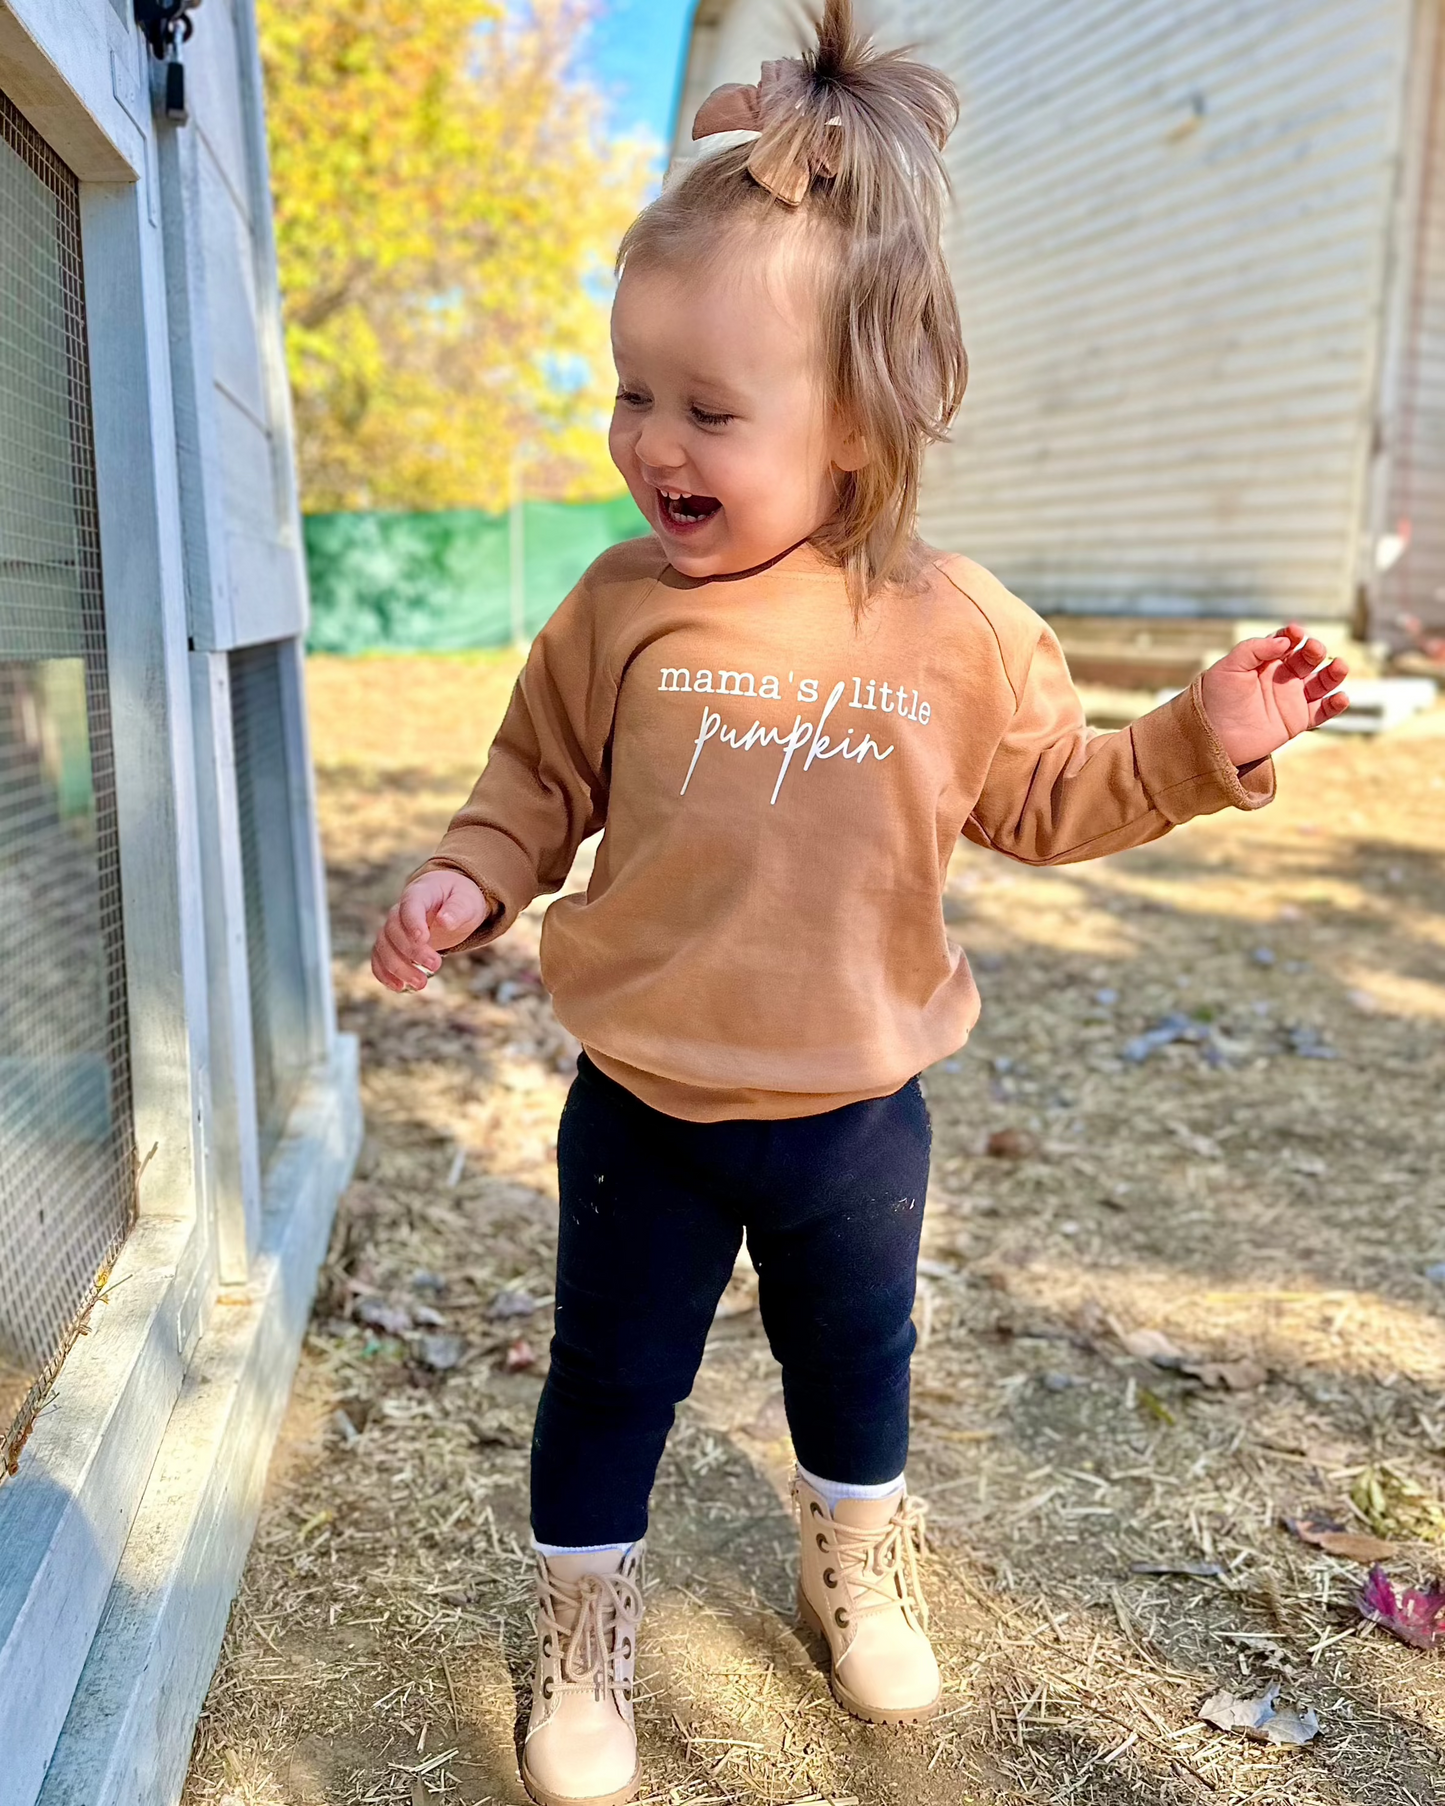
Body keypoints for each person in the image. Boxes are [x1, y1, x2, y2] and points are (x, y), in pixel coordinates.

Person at [370, 5, 1350, 1801]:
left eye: (708, 408)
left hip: (853, 1115)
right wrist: (468, 872)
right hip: (646, 1109)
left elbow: (1052, 798)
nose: (648, 437)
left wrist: (1199, 745)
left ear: (859, 421)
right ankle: (582, 1632)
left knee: (857, 1366)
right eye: (632, 391)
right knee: (611, 1381)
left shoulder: (952, 625)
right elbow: (534, 778)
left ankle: (854, 1562)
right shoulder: (616, 611)